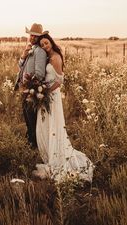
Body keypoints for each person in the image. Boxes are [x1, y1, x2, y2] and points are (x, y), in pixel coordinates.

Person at [33, 33, 94, 183]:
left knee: (54, 125)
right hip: (46, 95)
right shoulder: (49, 57)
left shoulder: (55, 58)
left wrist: (46, 91)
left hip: (52, 96)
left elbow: (60, 80)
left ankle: (58, 156)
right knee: (45, 124)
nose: (45, 46)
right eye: (42, 45)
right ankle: (50, 154)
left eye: (46, 43)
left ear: (51, 42)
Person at [16, 23, 48, 148]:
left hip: (31, 91)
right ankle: (29, 142)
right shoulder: (30, 48)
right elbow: (20, 66)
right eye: (31, 35)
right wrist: (23, 56)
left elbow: (39, 74)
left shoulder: (40, 51)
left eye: (36, 36)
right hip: (24, 89)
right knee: (27, 118)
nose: (33, 37)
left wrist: (30, 87)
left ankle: (34, 145)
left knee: (32, 119)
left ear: (39, 37)